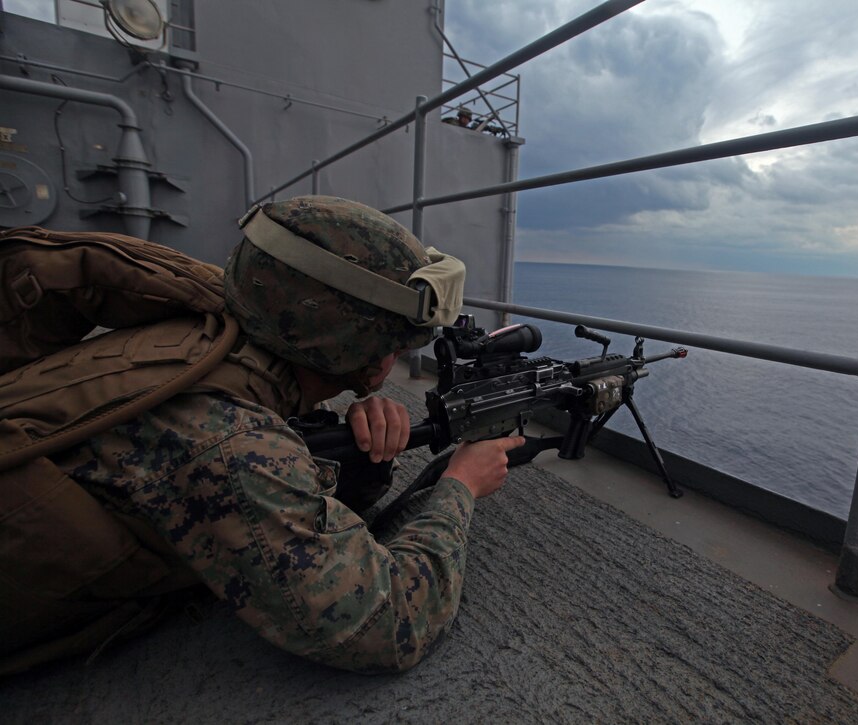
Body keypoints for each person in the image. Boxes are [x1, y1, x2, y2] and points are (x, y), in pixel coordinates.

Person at [0, 195, 524, 674]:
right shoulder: (227, 441)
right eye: (394, 341)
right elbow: (386, 625)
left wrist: (359, 457)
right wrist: (461, 484)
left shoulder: (204, 325)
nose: (395, 357)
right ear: (348, 343)